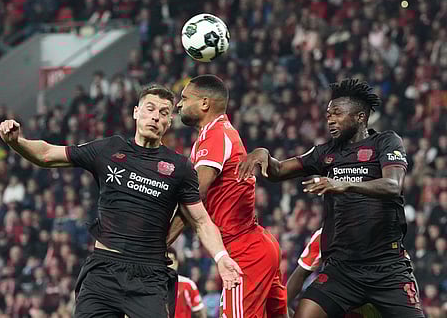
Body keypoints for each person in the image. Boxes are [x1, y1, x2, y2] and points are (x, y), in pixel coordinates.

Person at [0, 84, 242, 318]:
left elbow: (201, 221)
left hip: (149, 276)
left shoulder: (180, 168)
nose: (155, 116)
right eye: (150, 108)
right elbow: (47, 154)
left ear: (169, 122)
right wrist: (17, 142)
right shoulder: (108, 150)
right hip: (104, 270)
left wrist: (221, 258)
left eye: (164, 112)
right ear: (136, 112)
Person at [237, 78, 424, 318]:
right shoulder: (325, 152)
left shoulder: (385, 142)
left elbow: (392, 185)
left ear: (360, 117)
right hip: (342, 270)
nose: (330, 119)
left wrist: (343, 184)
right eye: (328, 114)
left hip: (387, 268)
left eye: (337, 113)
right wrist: (263, 153)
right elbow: (278, 171)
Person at [171, 74, 288, 318]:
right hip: (258, 244)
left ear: (204, 103)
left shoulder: (215, 136)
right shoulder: (218, 133)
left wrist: (159, 243)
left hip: (244, 252)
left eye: (184, 98)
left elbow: (195, 197)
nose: (179, 104)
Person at [287, 229, 382, 318]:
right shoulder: (326, 234)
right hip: (336, 297)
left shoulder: (387, 238)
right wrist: (282, 307)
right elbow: (300, 274)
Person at [167, 247, 207, 318]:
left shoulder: (187, 284)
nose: (167, 266)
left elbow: (199, 312)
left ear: (176, 263)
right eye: (164, 262)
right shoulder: (153, 285)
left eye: (170, 261)